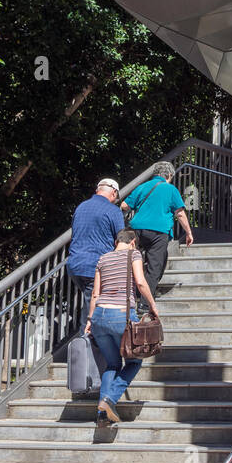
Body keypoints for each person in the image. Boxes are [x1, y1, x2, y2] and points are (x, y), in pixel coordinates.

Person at [84, 227, 160, 425]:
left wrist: (90, 320)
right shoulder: (133, 254)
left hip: (100, 316)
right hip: (121, 315)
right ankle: (109, 399)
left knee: (112, 364)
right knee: (134, 362)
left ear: (117, 241)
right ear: (133, 241)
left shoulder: (103, 258)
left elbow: (95, 293)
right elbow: (141, 283)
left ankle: (103, 414)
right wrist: (152, 305)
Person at [121, 161, 193, 300]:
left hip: (136, 230)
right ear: (170, 175)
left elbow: (124, 205)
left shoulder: (142, 187)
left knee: (132, 261)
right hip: (158, 232)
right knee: (155, 267)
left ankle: (130, 294)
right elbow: (180, 213)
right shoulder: (171, 189)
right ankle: (144, 303)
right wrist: (189, 233)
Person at [67, 178, 124, 327]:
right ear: (114, 192)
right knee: (92, 311)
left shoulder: (81, 207)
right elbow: (122, 239)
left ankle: (91, 341)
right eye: (116, 197)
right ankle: (87, 343)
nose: (115, 200)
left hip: (75, 265)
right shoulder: (113, 211)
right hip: (96, 266)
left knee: (90, 302)